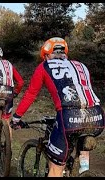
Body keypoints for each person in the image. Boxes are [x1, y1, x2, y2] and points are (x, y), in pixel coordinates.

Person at [10, 37, 104, 177]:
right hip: (97, 116)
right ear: (65, 53)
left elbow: (30, 94)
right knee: (83, 141)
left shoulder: (44, 66)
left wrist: (16, 118)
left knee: (55, 168)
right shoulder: (81, 65)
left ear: (46, 55)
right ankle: (84, 170)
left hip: (69, 117)